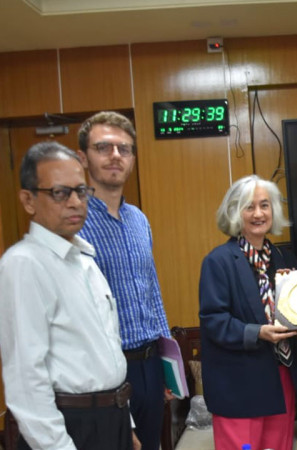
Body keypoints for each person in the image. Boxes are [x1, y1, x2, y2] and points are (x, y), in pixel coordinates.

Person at [0, 142, 133, 450]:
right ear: (29, 200)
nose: (75, 202)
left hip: (111, 417)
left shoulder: (84, 259)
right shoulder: (24, 264)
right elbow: (26, 379)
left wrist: (126, 422)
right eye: (60, 193)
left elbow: (105, 352)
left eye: (81, 191)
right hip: (70, 426)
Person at [75, 111, 170, 450]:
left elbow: (152, 292)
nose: (115, 155)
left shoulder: (139, 220)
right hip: (102, 371)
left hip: (150, 366)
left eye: (124, 149)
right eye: (104, 147)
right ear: (83, 157)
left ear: (132, 158)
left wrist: (168, 365)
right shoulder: (74, 223)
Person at [199, 175, 297, 450]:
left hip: (281, 376)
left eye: (264, 205)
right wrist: (257, 332)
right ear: (235, 212)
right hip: (239, 384)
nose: (258, 214)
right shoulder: (218, 261)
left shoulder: (283, 258)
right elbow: (213, 321)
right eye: (249, 207)